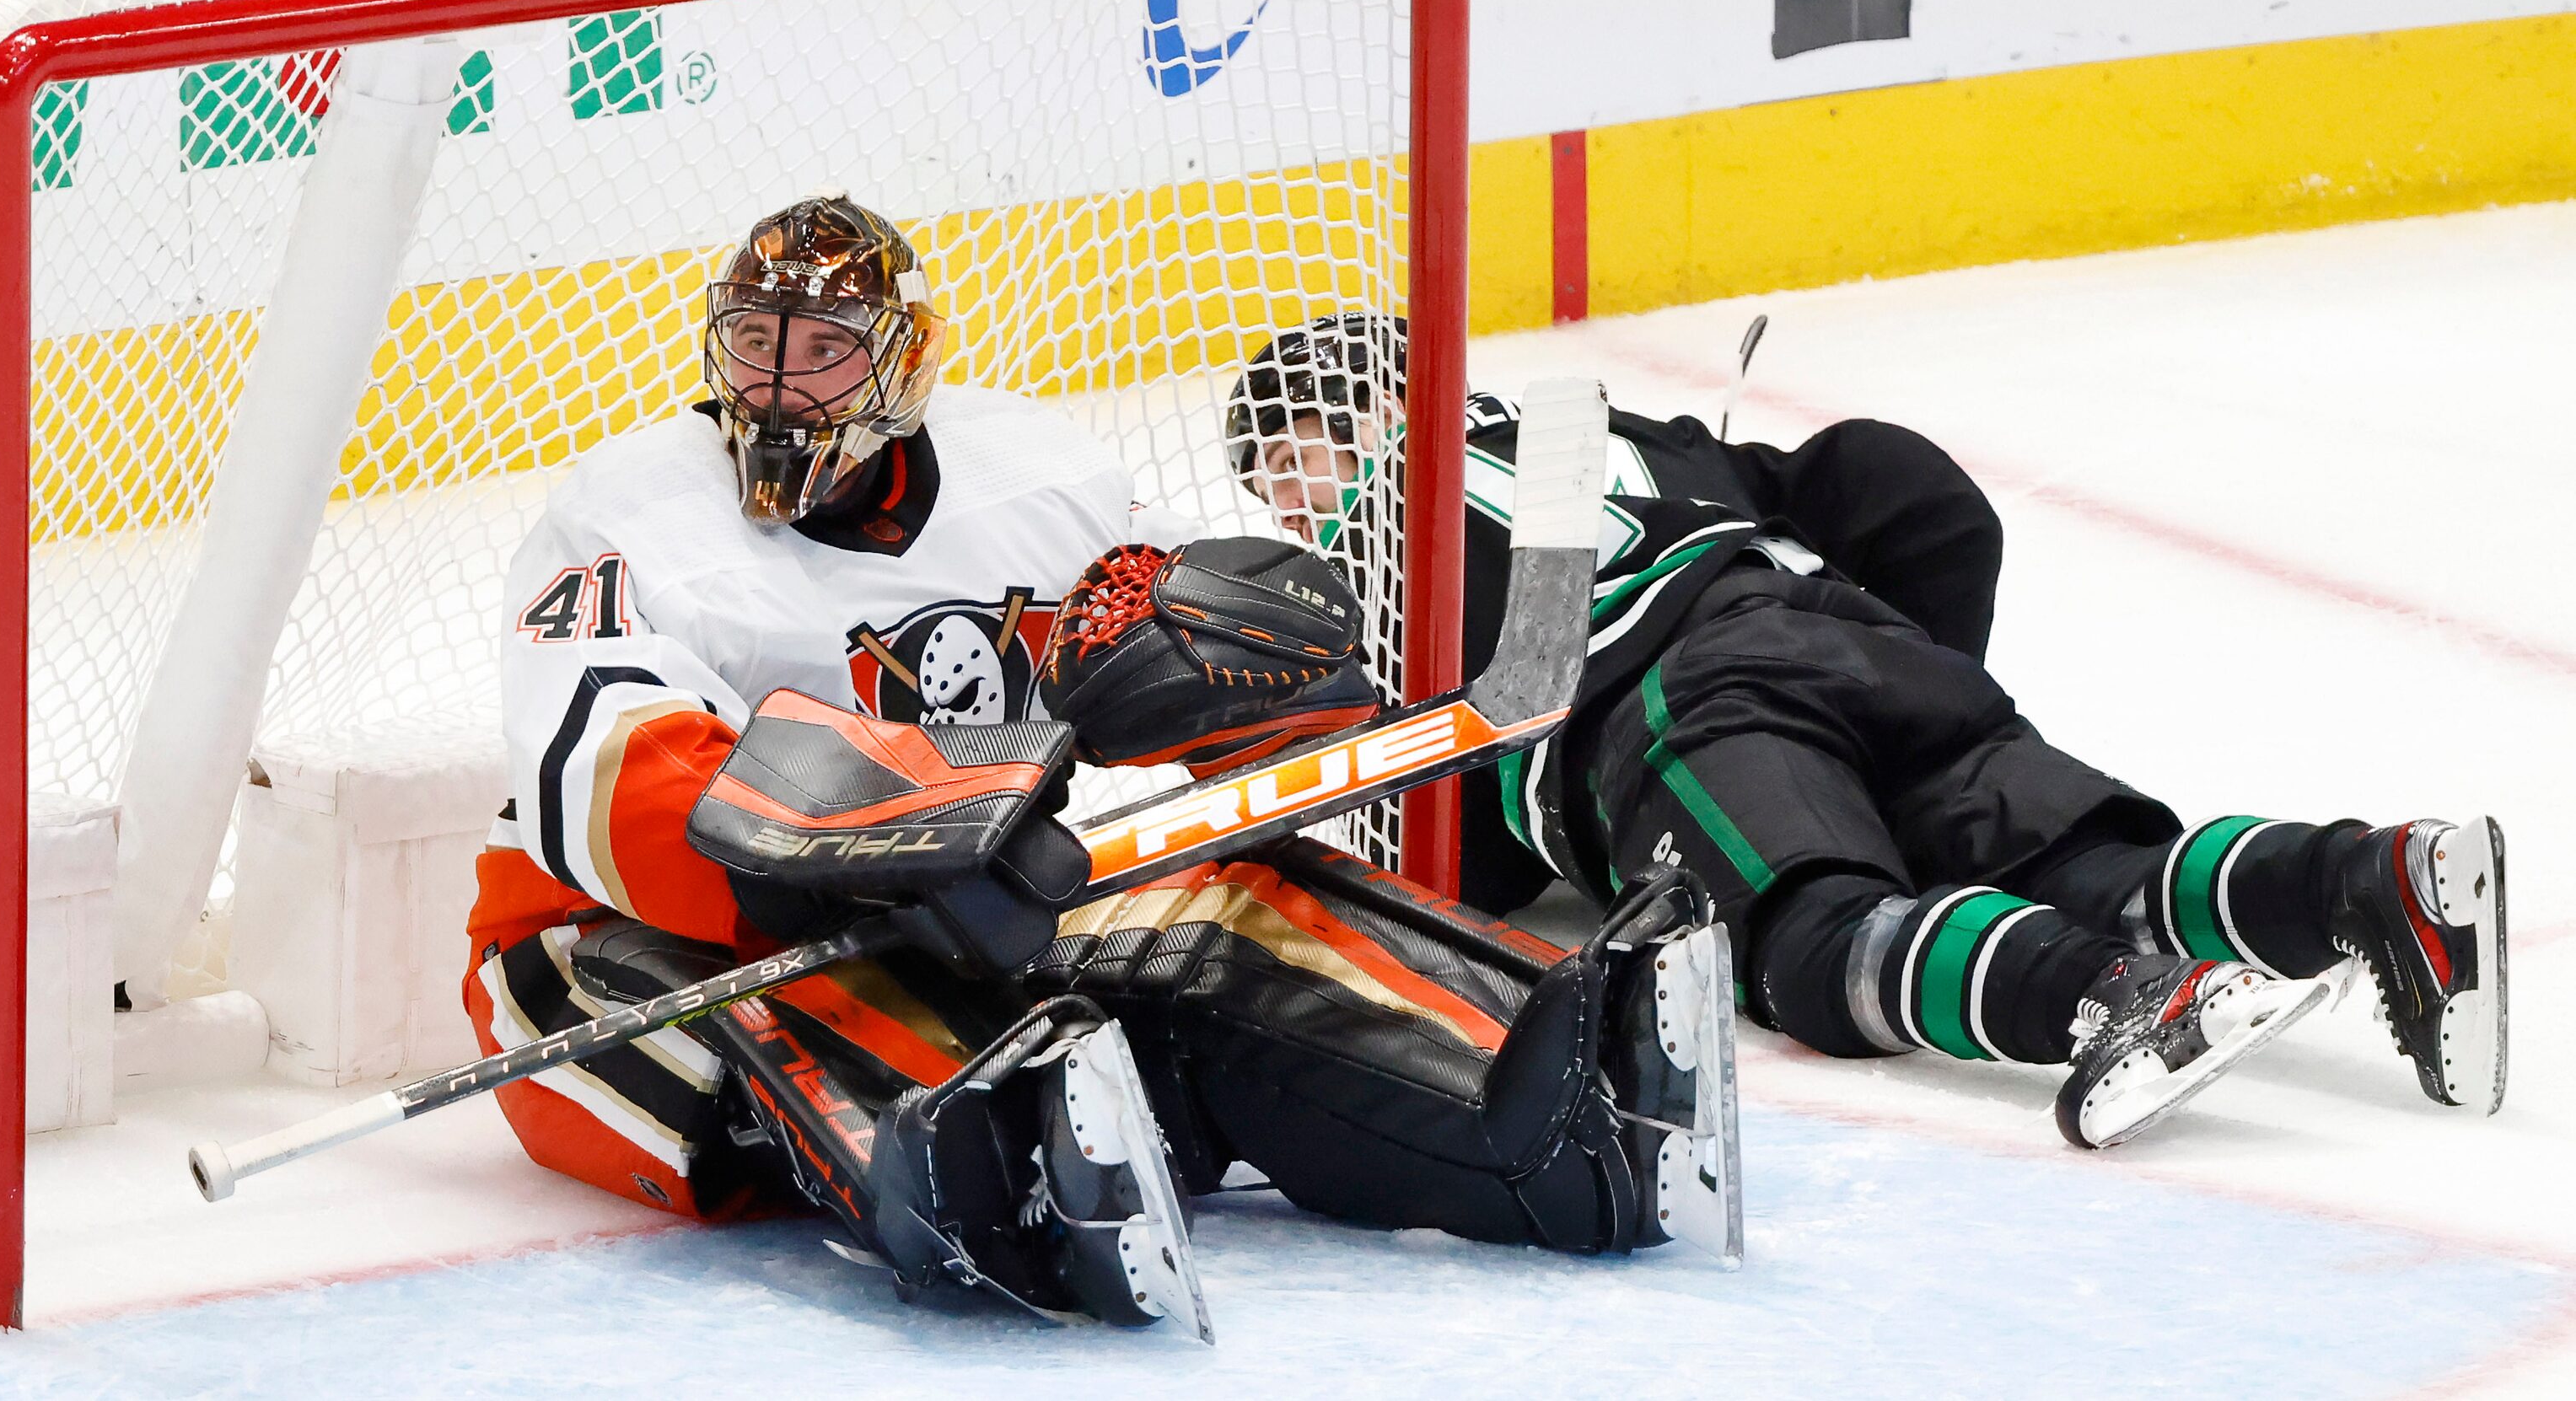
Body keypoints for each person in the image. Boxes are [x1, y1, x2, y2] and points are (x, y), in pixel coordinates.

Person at [461, 196, 1741, 1338]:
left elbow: (1158, 652)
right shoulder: (617, 518)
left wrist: (1261, 683)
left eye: (824, 350)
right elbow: (608, 772)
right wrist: (870, 851)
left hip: (973, 907)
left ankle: (1552, 1112)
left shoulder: (1037, 474)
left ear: (899, 362)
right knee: (832, 1030)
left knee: (1237, 904)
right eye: (755, 342)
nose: (781, 385)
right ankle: (1009, 1183)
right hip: (627, 941)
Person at [1223, 312, 2507, 1150]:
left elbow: (1460, 861)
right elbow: (1907, 491)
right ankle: (2368, 876)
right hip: (1846, 630)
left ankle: (2112, 995)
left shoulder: (1358, 560)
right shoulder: (1615, 438)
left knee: (1808, 943)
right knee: (2077, 864)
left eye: (1277, 468)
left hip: (1677, 703)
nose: (1282, 502)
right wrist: (1915, 673)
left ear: (1338, 431)